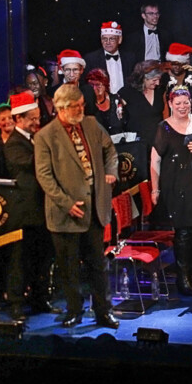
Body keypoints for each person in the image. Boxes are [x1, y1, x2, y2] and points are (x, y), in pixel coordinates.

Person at [34, 82, 120, 328]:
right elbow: (45, 177)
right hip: (65, 213)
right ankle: (74, 311)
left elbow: (110, 150)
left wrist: (111, 172)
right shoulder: (45, 136)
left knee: (98, 266)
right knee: (69, 268)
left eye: (82, 104)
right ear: (62, 108)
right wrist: (66, 203)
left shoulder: (91, 124)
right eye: (76, 106)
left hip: (93, 208)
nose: (82, 108)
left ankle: (104, 311)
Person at [151, 87, 192, 294]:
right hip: (178, 186)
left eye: (186, 102)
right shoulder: (164, 128)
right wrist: (155, 189)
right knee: (184, 231)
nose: (182, 106)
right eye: (178, 103)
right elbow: (155, 160)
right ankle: (183, 277)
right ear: (170, 104)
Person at [0, 91, 50, 318]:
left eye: (38, 117)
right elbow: (33, 163)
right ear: (18, 119)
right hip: (24, 211)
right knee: (20, 259)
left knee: (41, 257)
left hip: (41, 209)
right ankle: (16, 303)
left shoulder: (33, 139)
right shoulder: (13, 144)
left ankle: (40, 300)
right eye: (32, 118)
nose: (37, 122)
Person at [121, 60, 167, 186]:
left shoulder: (159, 90)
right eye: (154, 80)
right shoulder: (127, 93)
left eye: (158, 79)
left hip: (158, 143)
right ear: (143, 78)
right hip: (138, 147)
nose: (157, 83)